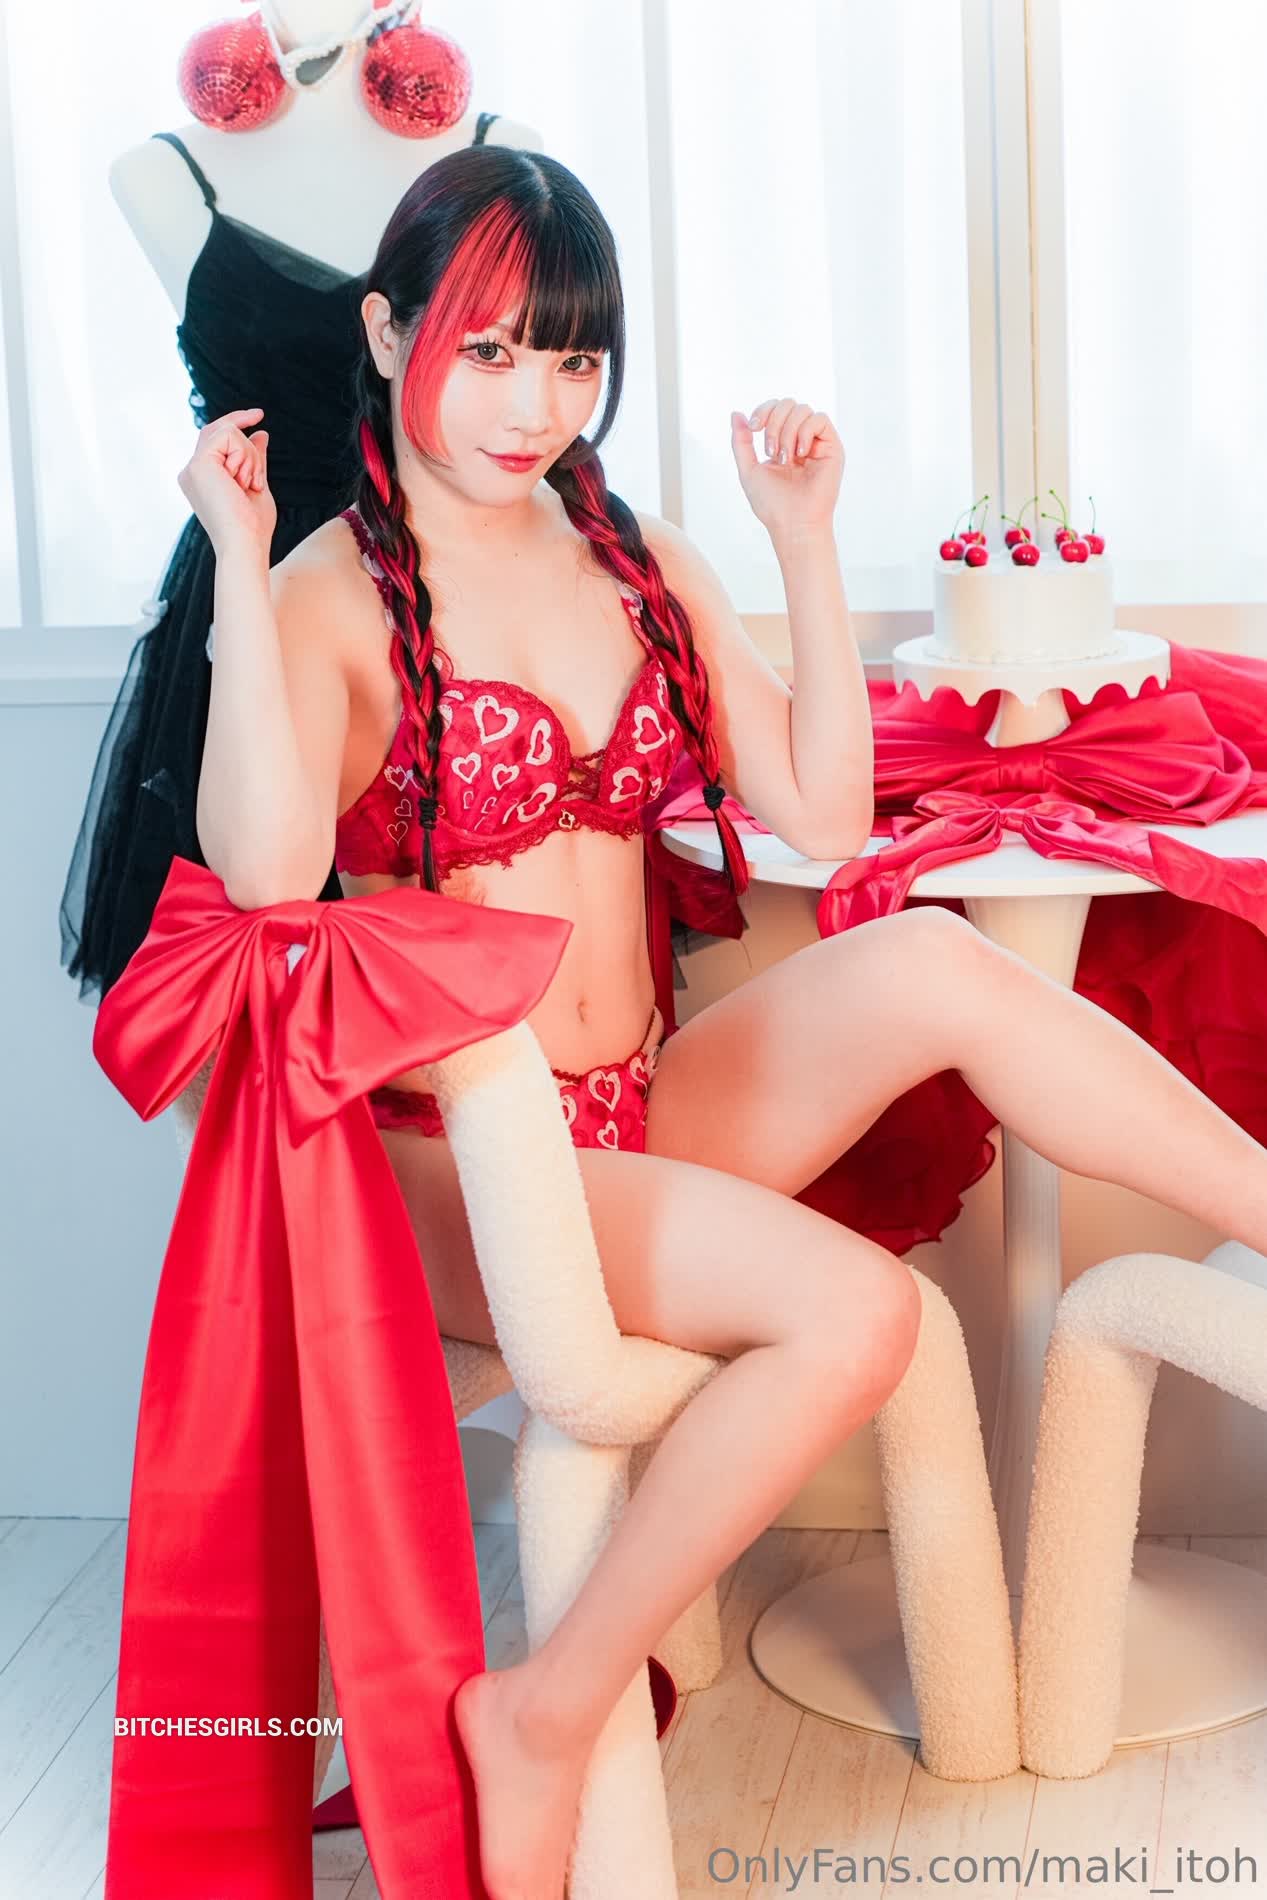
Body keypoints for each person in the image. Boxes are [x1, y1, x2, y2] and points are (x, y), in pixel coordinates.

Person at [186, 142, 1267, 1897]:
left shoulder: (630, 553)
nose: (535, 404)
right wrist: (237, 566)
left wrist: (802, 544)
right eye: (487, 351)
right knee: (864, 1314)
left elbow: (824, 812)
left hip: (633, 1107)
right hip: (461, 1168)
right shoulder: (325, 594)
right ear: (386, 337)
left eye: (574, 359)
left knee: (943, 967)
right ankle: (543, 1710)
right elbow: (258, 873)